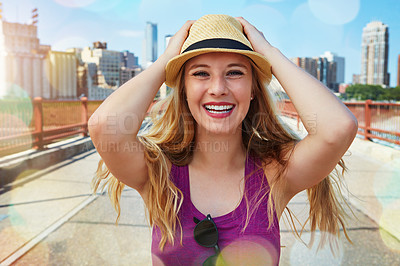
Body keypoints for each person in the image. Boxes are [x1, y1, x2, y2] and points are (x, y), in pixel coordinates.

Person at [88, 14, 358, 265]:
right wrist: (165, 61)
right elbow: (104, 127)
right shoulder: (158, 171)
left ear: (253, 90)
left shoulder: (276, 172)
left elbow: (338, 128)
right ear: (183, 90)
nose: (218, 89)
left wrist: (269, 53)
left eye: (235, 72)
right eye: (200, 73)